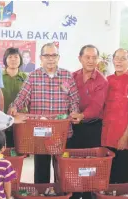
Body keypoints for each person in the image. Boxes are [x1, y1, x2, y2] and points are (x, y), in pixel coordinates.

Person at [8, 43, 80, 184]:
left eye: (54, 55)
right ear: (41, 57)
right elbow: (22, 97)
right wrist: (14, 107)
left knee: (62, 170)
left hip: (62, 133)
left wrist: (74, 112)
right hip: (40, 133)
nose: (50, 59)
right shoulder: (33, 77)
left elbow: (74, 100)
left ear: (58, 57)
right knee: (41, 171)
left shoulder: (66, 76)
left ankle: (60, 194)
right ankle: (41, 193)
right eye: (47, 55)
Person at [69, 45, 108, 199]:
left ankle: (87, 194)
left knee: (90, 164)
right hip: (73, 128)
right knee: (72, 163)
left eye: (94, 57)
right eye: (87, 57)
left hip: (92, 128)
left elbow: (97, 106)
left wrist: (81, 115)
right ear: (80, 58)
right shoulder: (72, 77)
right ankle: (73, 193)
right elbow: (64, 94)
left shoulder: (102, 81)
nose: (91, 61)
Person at [102, 48, 128, 183]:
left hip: (123, 137)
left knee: (122, 177)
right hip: (107, 136)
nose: (119, 61)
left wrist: (125, 137)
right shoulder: (107, 80)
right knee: (108, 177)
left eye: (123, 58)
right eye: (117, 58)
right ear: (113, 60)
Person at [2, 47, 27, 147]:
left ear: (20, 59)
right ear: (5, 59)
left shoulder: (26, 77)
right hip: (3, 119)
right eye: (10, 57)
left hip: (20, 119)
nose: (13, 59)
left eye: (16, 57)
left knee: (19, 150)